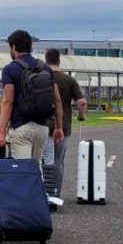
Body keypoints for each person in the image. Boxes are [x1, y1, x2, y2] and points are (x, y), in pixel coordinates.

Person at [0, 30, 63, 162]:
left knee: (23, 172)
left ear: (14, 47)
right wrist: (58, 128)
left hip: (21, 127)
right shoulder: (45, 68)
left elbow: (8, 101)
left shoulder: (10, 69)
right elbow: (57, 100)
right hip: (43, 127)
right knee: (36, 168)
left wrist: (1, 132)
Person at [41, 48, 88, 207]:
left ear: (46, 60)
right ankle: (55, 195)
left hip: (45, 125)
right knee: (58, 161)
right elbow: (81, 102)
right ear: (59, 60)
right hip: (64, 127)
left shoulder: (43, 76)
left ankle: (45, 193)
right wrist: (81, 115)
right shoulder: (69, 79)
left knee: (45, 160)